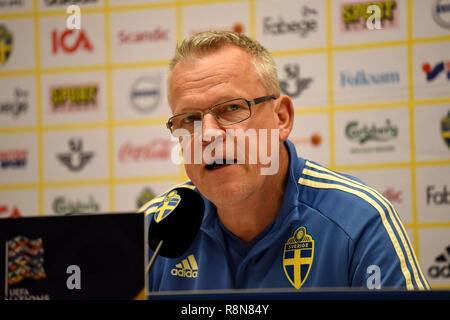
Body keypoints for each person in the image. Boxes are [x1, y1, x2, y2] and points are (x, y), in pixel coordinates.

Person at [139, 31, 429, 291]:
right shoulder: (152, 230)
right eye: (190, 119)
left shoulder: (359, 222)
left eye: (231, 108)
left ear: (281, 118)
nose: (209, 134)